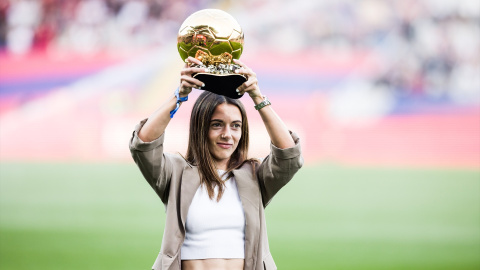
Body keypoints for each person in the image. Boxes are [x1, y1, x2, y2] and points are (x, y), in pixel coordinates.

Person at [129, 56, 303, 270]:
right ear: (201, 128)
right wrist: (179, 95)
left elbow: (289, 155)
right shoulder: (176, 173)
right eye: (217, 125)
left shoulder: (254, 175)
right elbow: (144, 145)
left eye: (236, 126)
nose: (227, 135)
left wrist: (258, 97)